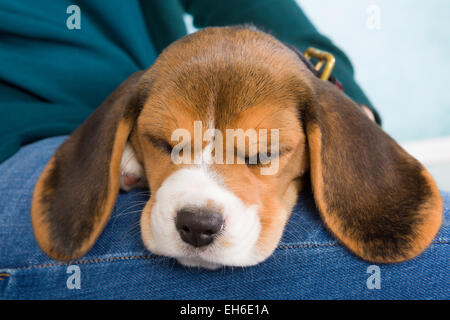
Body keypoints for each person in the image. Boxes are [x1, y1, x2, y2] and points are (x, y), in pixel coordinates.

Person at [0, 0, 448, 299]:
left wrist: (325, 78)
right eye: (165, 146)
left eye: (258, 155)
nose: (200, 216)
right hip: (20, 136)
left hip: (170, 87)